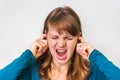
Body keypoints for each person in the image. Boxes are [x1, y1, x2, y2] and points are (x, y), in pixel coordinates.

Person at [0, 6, 120, 80]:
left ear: (78, 39)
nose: (61, 44)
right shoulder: (32, 71)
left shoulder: (91, 73)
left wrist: (94, 55)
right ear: (45, 37)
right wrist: (28, 55)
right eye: (54, 37)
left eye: (68, 38)